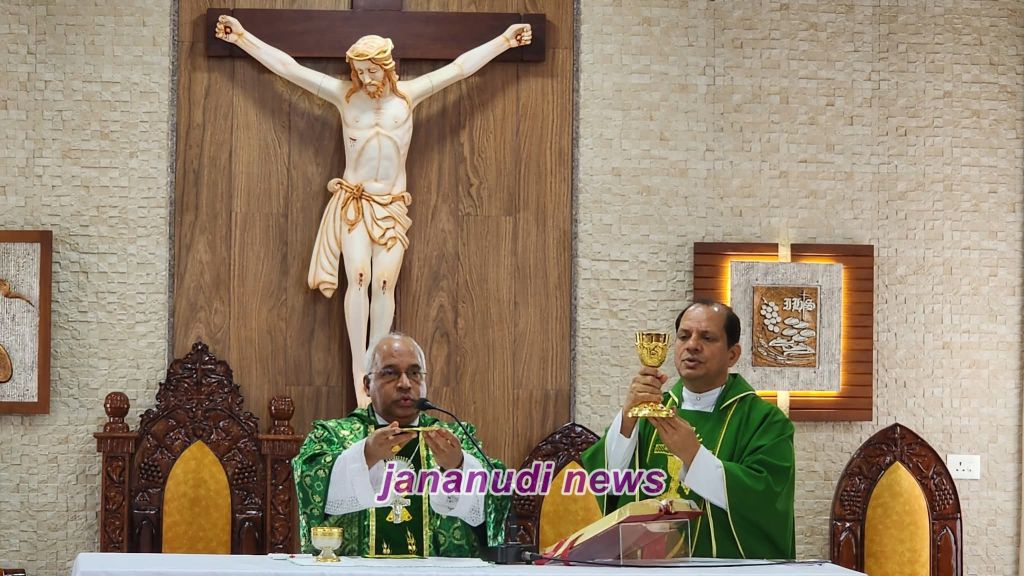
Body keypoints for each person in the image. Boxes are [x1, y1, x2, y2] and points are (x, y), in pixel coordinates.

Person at [215, 16, 533, 407]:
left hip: (392, 206)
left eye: (371, 70)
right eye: (359, 71)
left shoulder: (408, 96)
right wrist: (242, 38)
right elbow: (289, 69)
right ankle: (359, 377)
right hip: (356, 203)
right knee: (359, 278)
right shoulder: (344, 97)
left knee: (383, 283)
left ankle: (377, 368)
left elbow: (459, 69)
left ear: (386, 67)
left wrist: (504, 41)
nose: (365, 78)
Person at [581, 300, 796, 559]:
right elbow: (604, 482)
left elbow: (766, 498)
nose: (692, 345)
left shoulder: (765, 421)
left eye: (707, 337)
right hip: (647, 568)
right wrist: (627, 418)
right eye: (684, 336)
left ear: (732, 355)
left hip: (724, 569)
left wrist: (693, 455)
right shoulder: (651, 413)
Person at [292, 333, 509, 557]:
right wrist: (365, 456)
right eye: (390, 373)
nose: (405, 384)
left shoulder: (452, 439)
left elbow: (497, 489)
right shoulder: (333, 435)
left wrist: (459, 466)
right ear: (367, 385)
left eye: (415, 373)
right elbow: (310, 478)